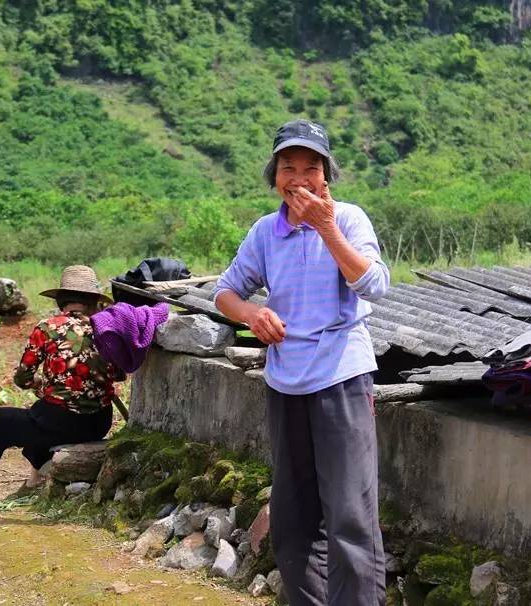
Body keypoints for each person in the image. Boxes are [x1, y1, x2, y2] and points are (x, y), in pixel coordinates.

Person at [213, 119, 390, 605]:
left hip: (342, 376)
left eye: (310, 168)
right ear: (274, 176)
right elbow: (225, 291)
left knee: (350, 516)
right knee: (292, 522)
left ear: (326, 175)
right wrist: (251, 313)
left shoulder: (348, 219)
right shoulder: (265, 233)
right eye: (287, 168)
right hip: (285, 383)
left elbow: (375, 284)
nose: (298, 179)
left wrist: (326, 227)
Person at [0, 265, 122, 510]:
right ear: (93, 302)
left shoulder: (48, 328)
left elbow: (22, 378)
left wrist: (38, 383)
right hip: (99, 422)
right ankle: (34, 480)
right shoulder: (106, 329)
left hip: (61, 423)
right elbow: (119, 374)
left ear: (61, 301)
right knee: (40, 412)